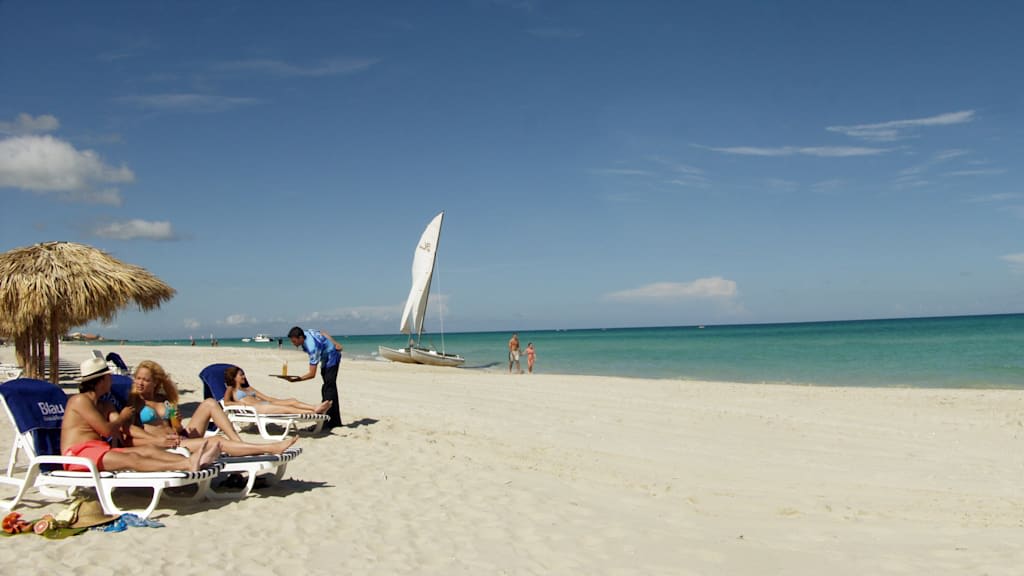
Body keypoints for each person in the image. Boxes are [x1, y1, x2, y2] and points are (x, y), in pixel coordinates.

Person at [61, 357, 220, 473]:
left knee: (148, 450)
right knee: (132, 459)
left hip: (99, 450)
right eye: (109, 378)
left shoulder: (105, 404)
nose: (111, 381)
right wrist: (123, 417)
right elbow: (107, 430)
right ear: (101, 380)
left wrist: (129, 426)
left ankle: (191, 461)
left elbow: (121, 426)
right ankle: (185, 465)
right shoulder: (79, 400)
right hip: (78, 455)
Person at [128, 360, 297, 456]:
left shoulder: (164, 400)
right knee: (217, 441)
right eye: (138, 378)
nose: (140, 383)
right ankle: (269, 448)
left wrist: (178, 423)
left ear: (156, 383)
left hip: (180, 437)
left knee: (209, 402)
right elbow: (131, 433)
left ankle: (238, 443)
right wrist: (157, 441)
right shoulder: (134, 402)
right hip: (167, 445)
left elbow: (176, 428)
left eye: (145, 380)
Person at [287, 326, 343, 429]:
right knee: (328, 388)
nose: (293, 343)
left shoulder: (312, 347)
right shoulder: (306, 332)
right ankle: (334, 421)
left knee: (328, 388)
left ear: (300, 338)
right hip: (325, 359)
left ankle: (328, 421)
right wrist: (335, 343)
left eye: (294, 341)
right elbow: (323, 332)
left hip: (332, 358)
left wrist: (296, 380)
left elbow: (312, 374)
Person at [223, 365, 332, 415]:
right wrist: (239, 406)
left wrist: (277, 400)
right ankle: (314, 413)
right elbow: (226, 403)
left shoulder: (248, 388)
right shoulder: (231, 389)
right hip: (256, 409)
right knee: (287, 409)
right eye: (241, 375)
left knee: (291, 401)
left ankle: (315, 407)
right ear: (234, 377)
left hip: (264, 404)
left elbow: (266, 398)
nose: (244, 377)